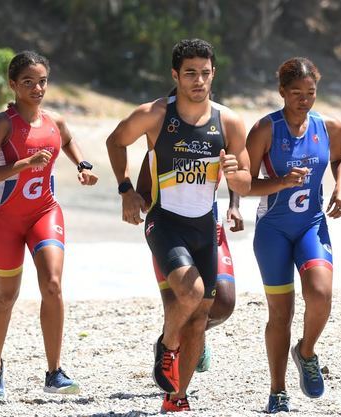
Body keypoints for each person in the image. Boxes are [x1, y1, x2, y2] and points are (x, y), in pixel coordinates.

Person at [106, 38, 250, 413]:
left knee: (202, 315)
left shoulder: (229, 121)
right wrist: (126, 191)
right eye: (190, 73)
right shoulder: (155, 114)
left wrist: (237, 177)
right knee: (191, 294)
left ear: (213, 73)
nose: (198, 81)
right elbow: (115, 141)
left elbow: (246, 180)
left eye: (205, 73)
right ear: (175, 75)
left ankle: (176, 398)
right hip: (165, 221)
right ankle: (167, 345)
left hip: (205, 224)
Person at [0, 51, 98, 401]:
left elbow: (69, 141)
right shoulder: (1, 124)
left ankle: (54, 372)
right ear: (13, 85)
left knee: (53, 284)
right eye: (28, 82)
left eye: (42, 81)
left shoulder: (55, 121)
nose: (37, 87)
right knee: (6, 296)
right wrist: (22, 163)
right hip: (4, 222)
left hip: (45, 212)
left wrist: (82, 164)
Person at [246, 57, 341, 413]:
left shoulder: (329, 126)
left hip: (311, 224)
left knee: (320, 294)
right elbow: (245, 184)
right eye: (296, 94)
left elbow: (340, 158)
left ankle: (305, 352)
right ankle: (278, 390)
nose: (304, 100)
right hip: (272, 230)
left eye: (311, 93)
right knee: (281, 314)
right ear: (282, 93)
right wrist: (280, 182)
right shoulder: (264, 130)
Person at [135, 151, 243, 373]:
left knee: (224, 303)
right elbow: (143, 192)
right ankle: (175, 360)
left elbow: (236, 167)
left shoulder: (214, 132)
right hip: (169, 233)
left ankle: (192, 333)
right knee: (178, 305)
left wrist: (234, 204)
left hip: (210, 229)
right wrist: (134, 200)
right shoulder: (160, 140)